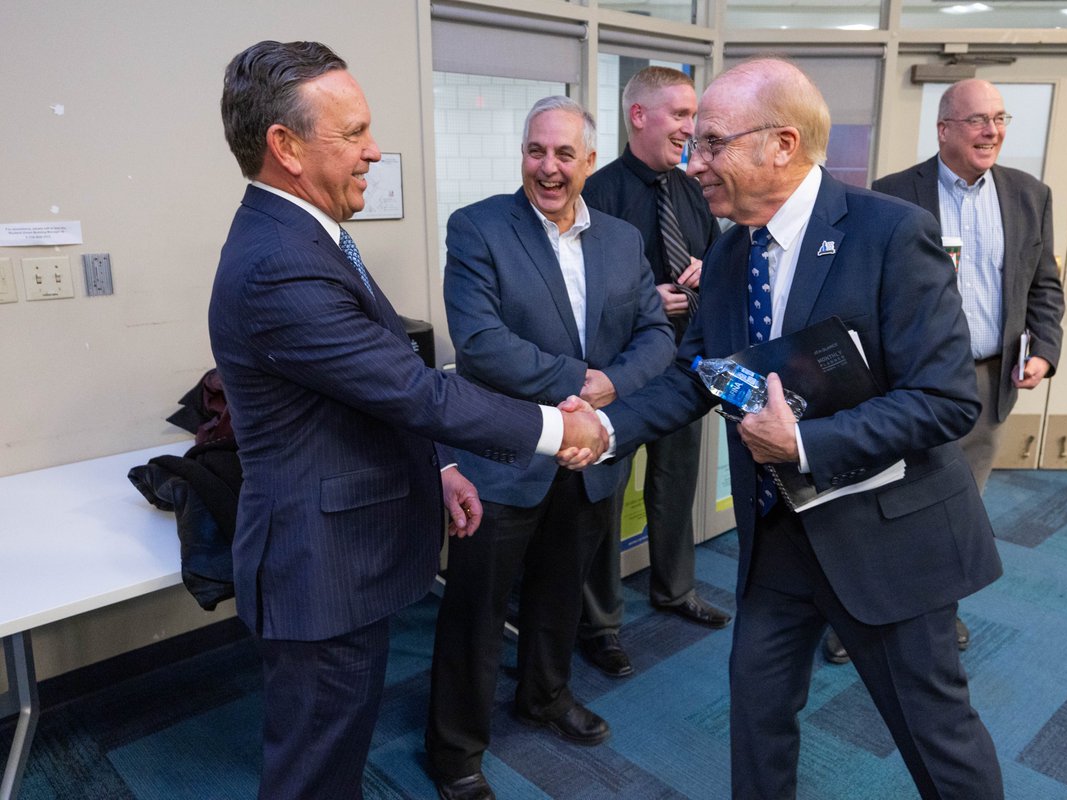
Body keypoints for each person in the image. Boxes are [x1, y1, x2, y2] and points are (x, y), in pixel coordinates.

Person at [563, 58, 1005, 799]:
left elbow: (946, 400)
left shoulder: (891, 234)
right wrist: (605, 428)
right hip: (779, 539)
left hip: (885, 540)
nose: (693, 163)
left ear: (783, 144)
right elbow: (697, 374)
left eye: (711, 143)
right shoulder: (729, 251)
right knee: (758, 719)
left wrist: (803, 443)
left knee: (937, 738)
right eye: (692, 144)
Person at [209, 42, 606, 800]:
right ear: (285, 146)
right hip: (319, 571)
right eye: (354, 132)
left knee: (334, 758)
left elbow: (370, 386)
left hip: (341, 557)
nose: (374, 150)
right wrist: (560, 429)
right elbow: (414, 390)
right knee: (313, 776)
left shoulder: (306, 234)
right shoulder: (279, 261)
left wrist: (438, 466)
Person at [424, 96, 674, 800]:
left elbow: (656, 335)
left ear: (589, 160)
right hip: (504, 456)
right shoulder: (477, 228)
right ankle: (454, 749)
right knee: (475, 611)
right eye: (536, 151)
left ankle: (545, 694)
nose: (549, 167)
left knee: (562, 593)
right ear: (523, 155)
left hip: (589, 457)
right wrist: (581, 385)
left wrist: (608, 387)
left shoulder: (622, 239)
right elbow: (481, 344)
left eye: (565, 153)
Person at [816, 79, 1066, 665]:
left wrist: (1044, 349)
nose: (991, 131)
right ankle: (859, 618)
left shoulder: (1030, 195)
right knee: (885, 501)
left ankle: (935, 613)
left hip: (985, 382)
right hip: (906, 384)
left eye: (999, 119)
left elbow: (1043, 285)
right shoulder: (892, 194)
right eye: (977, 120)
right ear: (944, 128)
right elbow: (860, 290)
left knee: (958, 507)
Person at [577, 66, 728, 679]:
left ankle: (674, 588)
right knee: (605, 498)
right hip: (617, 375)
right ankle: (600, 625)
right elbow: (578, 288)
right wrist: (646, 302)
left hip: (683, 369)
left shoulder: (694, 190)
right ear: (639, 116)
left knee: (676, 483)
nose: (691, 128)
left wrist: (707, 269)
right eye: (681, 115)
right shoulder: (596, 194)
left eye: (694, 115)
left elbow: (720, 253)